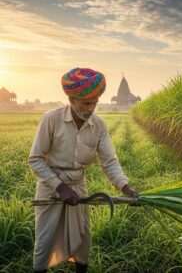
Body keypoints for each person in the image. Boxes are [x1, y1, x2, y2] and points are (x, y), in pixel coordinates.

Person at [28, 68, 138, 273]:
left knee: (83, 238)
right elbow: (35, 160)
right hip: (50, 187)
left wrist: (125, 187)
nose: (91, 108)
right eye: (86, 103)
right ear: (71, 99)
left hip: (78, 187)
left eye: (95, 103)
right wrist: (59, 187)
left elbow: (110, 162)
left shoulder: (99, 126)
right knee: (45, 240)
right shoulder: (51, 119)